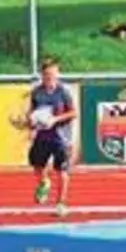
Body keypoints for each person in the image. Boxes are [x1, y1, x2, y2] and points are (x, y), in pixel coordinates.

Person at [26, 57, 78, 209]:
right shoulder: (36, 92)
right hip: (42, 136)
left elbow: (74, 113)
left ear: (57, 74)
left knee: (62, 169)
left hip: (60, 137)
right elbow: (32, 112)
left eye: (52, 74)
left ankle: (61, 203)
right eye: (46, 74)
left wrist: (55, 119)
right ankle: (44, 182)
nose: (49, 77)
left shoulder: (64, 92)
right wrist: (29, 123)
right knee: (37, 165)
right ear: (42, 75)